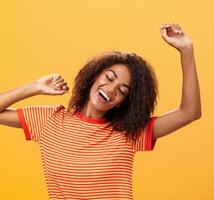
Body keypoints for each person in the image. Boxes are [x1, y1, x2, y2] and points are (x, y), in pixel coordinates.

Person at [0, 23, 201, 199]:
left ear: (123, 102)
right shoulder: (49, 120)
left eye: (122, 91)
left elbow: (189, 112)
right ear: (94, 76)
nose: (111, 89)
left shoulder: (128, 132)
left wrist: (186, 50)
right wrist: (35, 87)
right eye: (109, 77)